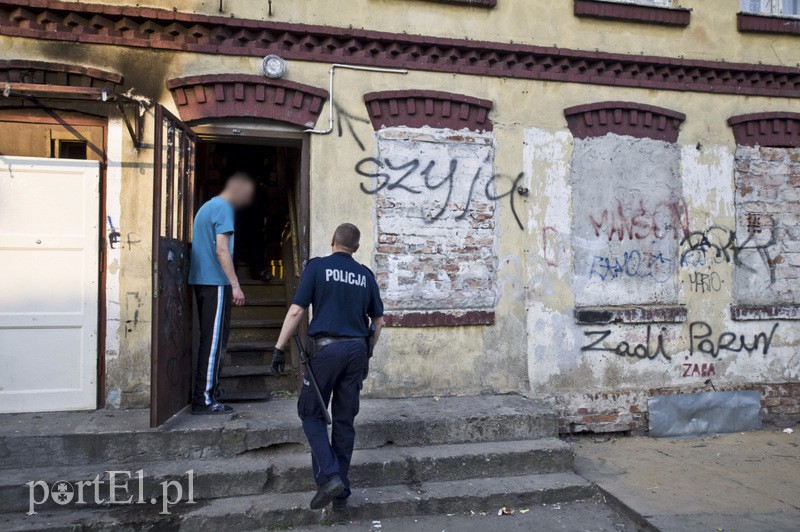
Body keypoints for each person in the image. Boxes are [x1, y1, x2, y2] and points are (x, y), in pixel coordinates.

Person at [271, 223, 384, 513]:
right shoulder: (365, 276)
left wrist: (279, 348)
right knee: (345, 421)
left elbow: (297, 310)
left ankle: (330, 476)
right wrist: (368, 353)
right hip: (357, 349)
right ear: (356, 248)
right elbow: (379, 322)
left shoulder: (317, 268)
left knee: (310, 413)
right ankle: (340, 497)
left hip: (327, 351)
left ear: (332, 240)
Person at [188, 171, 255, 415]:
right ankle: (203, 399)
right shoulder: (224, 208)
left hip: (204, 280)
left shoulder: (209, 206)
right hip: (215, 282)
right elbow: (221, 250)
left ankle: (209, 391)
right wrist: (235, 284)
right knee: (214, 341)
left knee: (210, 339)